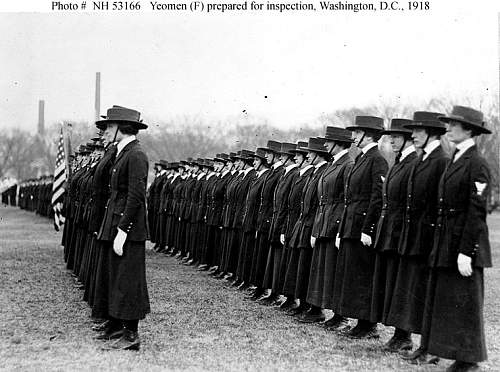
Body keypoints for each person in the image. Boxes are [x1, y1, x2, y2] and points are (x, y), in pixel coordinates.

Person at [424, 106, 492, 372]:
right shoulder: (457, 158)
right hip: (447, 241)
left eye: (454, 125)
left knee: (465, 301)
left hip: (463, 245)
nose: (448, 128)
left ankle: (469, 358)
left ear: (469, 130)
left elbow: (476, 212)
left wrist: (467, 251)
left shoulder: (477, 163)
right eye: (449, 124)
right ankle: (458, 354)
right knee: (451, 298)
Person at [390, 112, 448, 364]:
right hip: (412, 234)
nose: (412, 135)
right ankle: (402, 335)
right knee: (409, 287)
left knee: (424, 291)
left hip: (427, 237)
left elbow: (439, 204)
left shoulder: (440, 160)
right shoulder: (422, 159)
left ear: (433, 133)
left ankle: (429, 347)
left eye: (418, 131)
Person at [94, 105, 150, 351]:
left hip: (128, 228)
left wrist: (123, 230)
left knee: (128, 280)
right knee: (115, 278)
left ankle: (131, 335)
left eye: (109, 126)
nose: (106, 130)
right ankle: (116, 325)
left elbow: (136, 196)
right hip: (116, 223)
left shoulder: (136, 154)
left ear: (121, 128)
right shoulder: (122, 152)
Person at [333, 116, 388, 339]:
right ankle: (360, 322)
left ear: (369, 135)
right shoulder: (363, 158)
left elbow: (377, 197)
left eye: (357, 133)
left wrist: (369, 228)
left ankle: (368, 325)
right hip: (351, 225)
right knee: (353, 275)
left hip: (362, 227)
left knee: (363, 276)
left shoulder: (377, 159)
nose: (354, 137)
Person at [370, 118, 417, 351]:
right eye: (390, 137)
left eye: (396, 137)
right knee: (393, 283)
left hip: (401, 231)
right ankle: (400, 334)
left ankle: (404, 335)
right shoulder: (399, 161)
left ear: (408, 138)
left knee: (402, 284)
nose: (391, 141)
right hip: (391, 230)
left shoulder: (412, 161)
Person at [307, 126, 353, 328]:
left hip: (334, 223)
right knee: (322, 270)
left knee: (333, 271)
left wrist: (338, 228)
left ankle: (339, 316)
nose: (325, 145)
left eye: (328, 141)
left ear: (338, 143)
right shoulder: (335, 164)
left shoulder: (347, 164)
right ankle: (317, 309)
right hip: (324, 222)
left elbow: (346, 200)